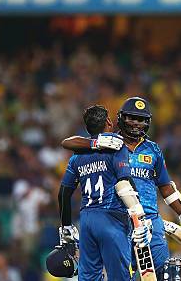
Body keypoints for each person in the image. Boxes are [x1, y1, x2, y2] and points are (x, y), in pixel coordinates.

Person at [62, 97, 181, 279]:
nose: (136, 124)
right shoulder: (109, 143)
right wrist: (94, 143)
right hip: (121, 222)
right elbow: (69, 142)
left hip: (152, 222)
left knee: (164, 275)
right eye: (132, 118)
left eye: (142, 119)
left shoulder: (153, 150)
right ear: (120, 118)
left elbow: (166, 187)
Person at [58, 105, 151, 280]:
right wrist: (139, 216)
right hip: (112, 218)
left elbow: (63, 194)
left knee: (89, 277)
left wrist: (66, 227)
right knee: (119, 277)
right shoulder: (116, 145)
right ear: (108, 121)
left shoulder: (77, 156)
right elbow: (124, 182)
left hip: (86, 220)